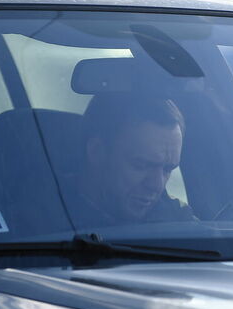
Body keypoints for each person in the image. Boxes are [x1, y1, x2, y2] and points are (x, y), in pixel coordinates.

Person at [70, 92, 196, 225]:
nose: (157, 185)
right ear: (97, 151)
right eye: (141, 165)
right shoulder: (47, 220)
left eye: (167, 169)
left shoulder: (180, 223)